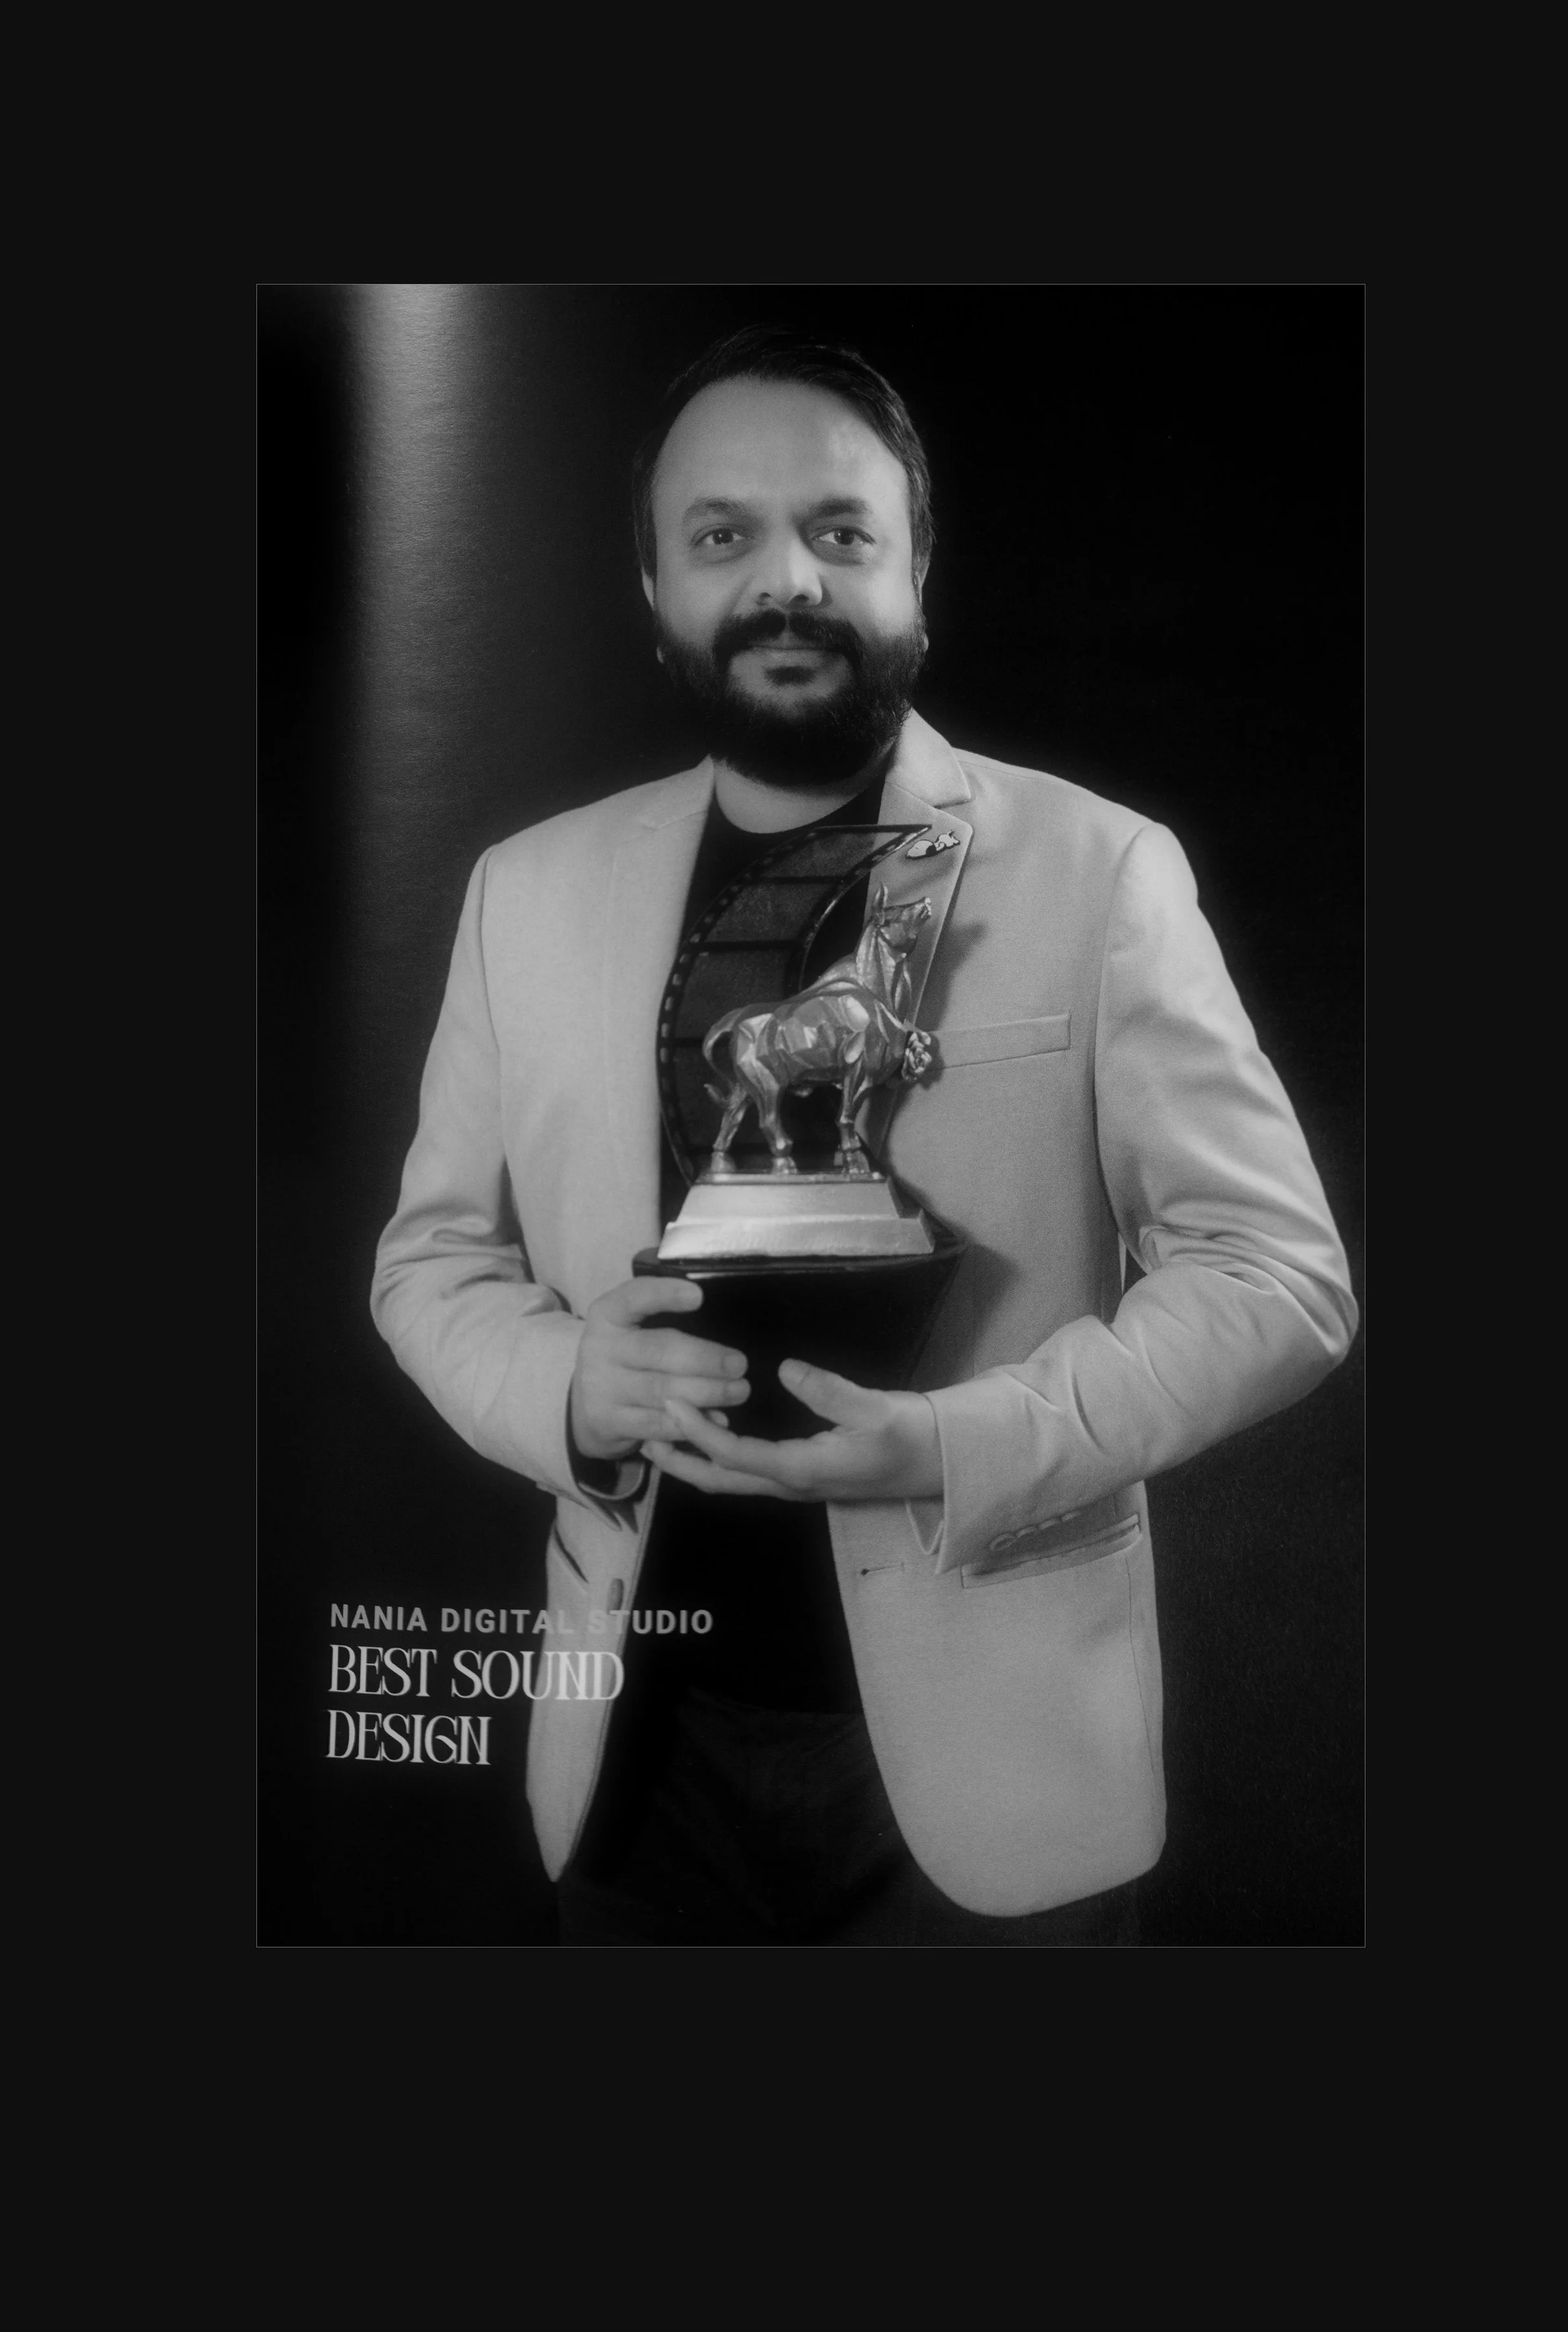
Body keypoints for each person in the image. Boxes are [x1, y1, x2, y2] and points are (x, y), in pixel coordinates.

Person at [371, 328, 1358, 1946]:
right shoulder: (523, 893)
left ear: (915, 576)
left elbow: (1279, 1278)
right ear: (653, 586)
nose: (786, 580)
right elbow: (431, 1262)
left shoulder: (1100, 871)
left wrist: (956, 1448)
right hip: (630, 1758)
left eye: (839, 532)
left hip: (996, 1777)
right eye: (721, 535)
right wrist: (563, 1387)